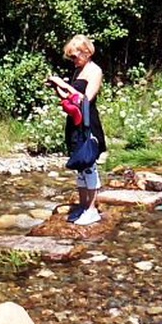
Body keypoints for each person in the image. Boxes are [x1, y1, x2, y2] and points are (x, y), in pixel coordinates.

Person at [47, 34, 105, 226]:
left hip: (88, 123)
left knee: (89, 165)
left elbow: (85, 98)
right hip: (74, 122)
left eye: (75, 56)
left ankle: (92, 209)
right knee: (79, 167)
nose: (73, 60)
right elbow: (69, 98)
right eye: (70, 57)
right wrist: (57, 88)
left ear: (86, 52)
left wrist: (64, 84)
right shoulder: (78, 70)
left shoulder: (94, 71)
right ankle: (82, 205)